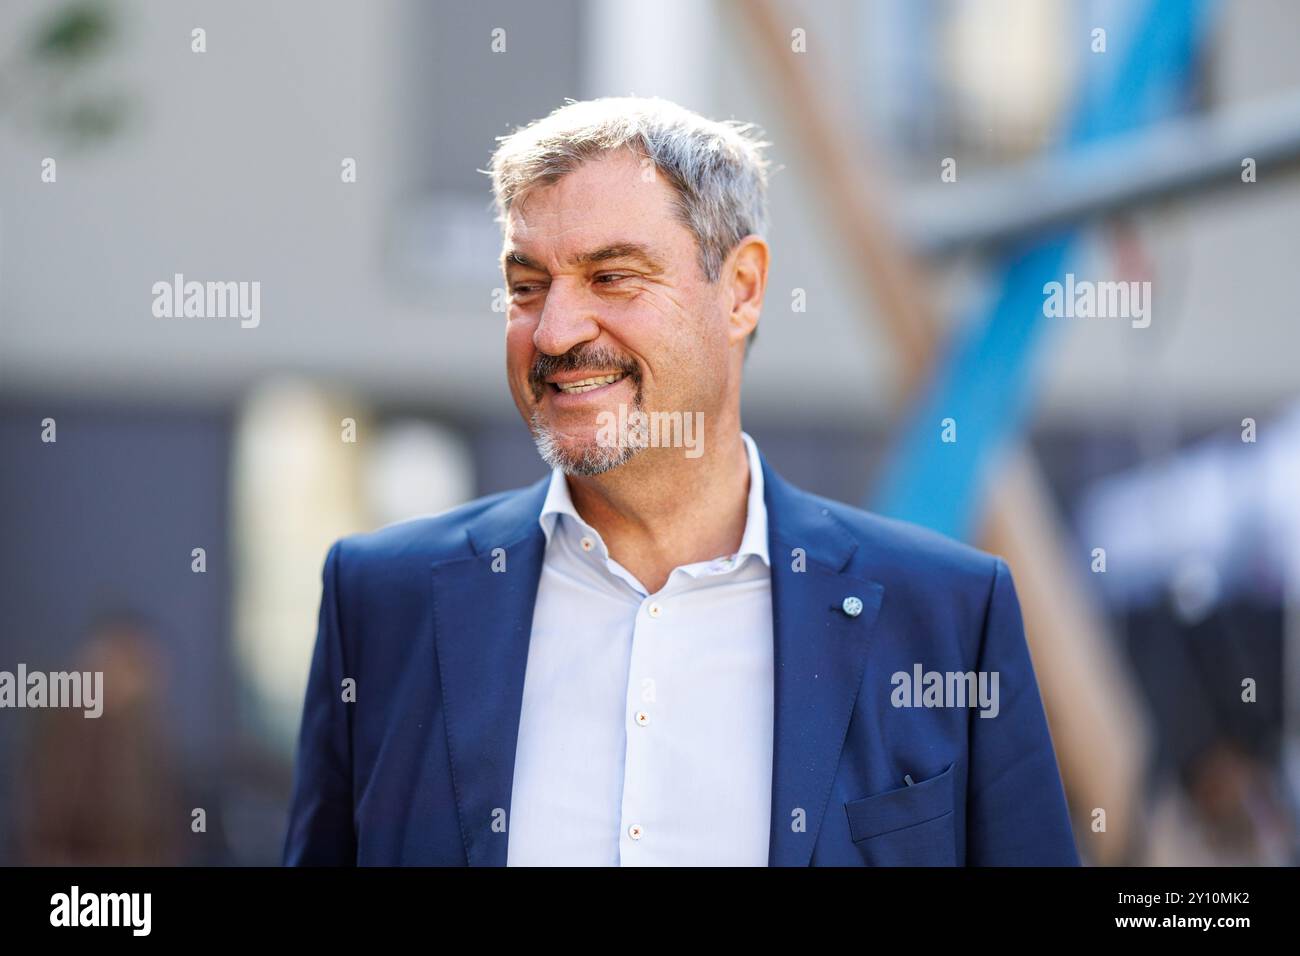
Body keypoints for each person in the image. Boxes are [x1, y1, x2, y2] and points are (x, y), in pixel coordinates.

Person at [283, 97, 1078, 866]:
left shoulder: (946, 616)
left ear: (741, 290)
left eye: (612, 277)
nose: (555, 331)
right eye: (527, 286)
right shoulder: (382, 604)